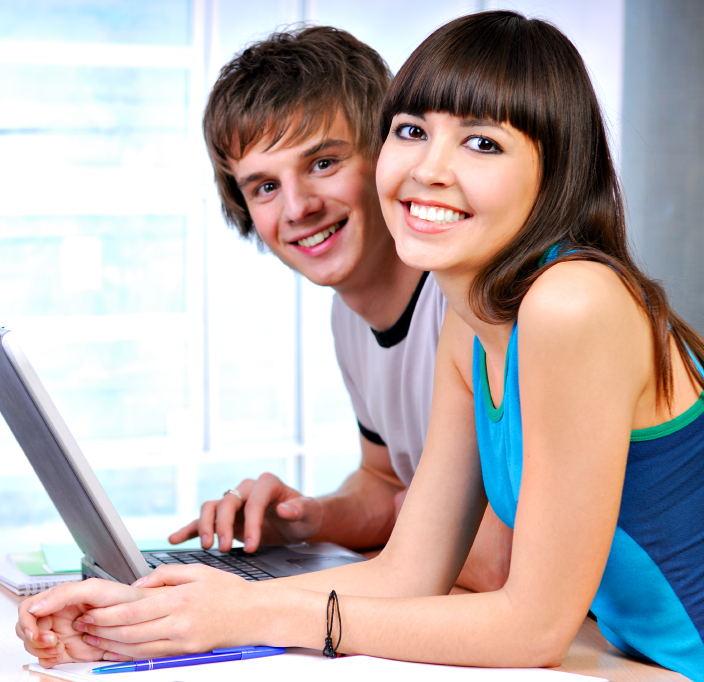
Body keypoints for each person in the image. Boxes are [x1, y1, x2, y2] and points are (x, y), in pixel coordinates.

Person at [17, 11, 704, 681]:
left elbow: (534, 626)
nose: (430, 170)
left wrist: (256, 614)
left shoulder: (571, 300)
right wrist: (157, 613)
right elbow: (411, 570)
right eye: (412, 131)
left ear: (554, 170)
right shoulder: (473, 315)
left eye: (482, 143)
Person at [168, 25, 511, 591]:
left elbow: (503, 559)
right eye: (264, 187)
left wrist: (412, 517)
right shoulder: (349, 316)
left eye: (323, 163)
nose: (298, 207)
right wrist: (310, 522)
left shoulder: (473, 299)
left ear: (388, 155)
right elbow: (383, 479)